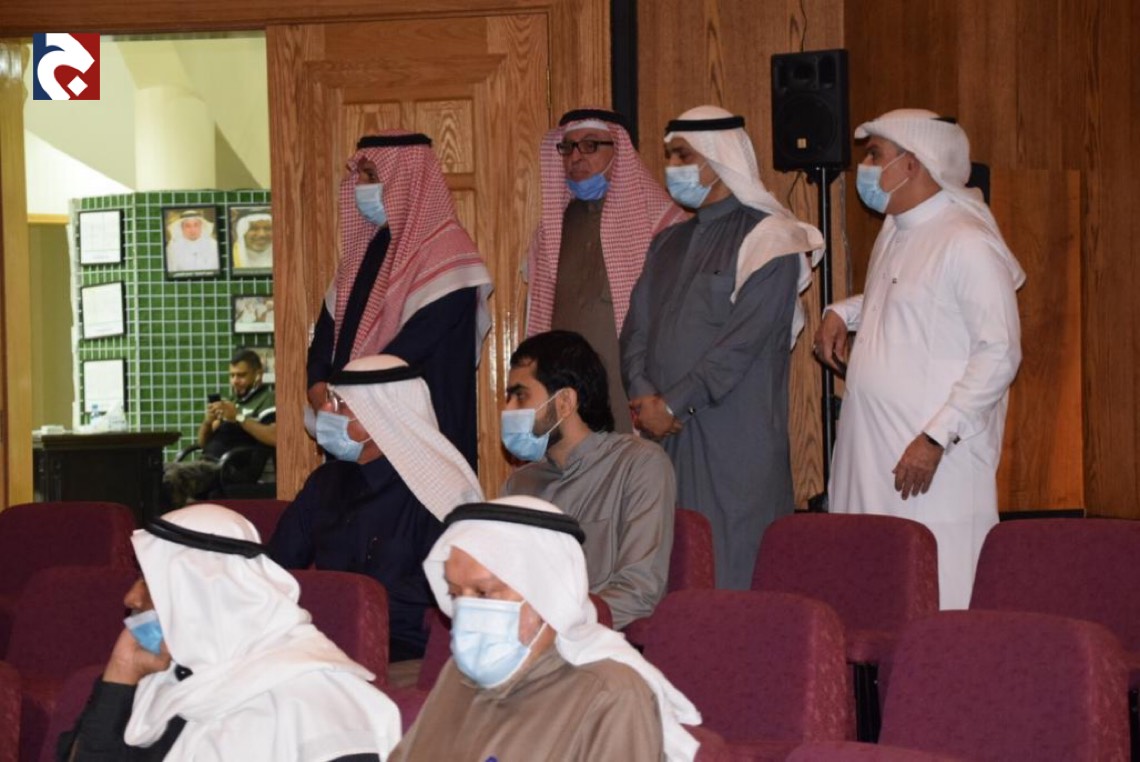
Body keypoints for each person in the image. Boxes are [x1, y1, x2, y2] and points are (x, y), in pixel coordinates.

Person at [815, 109, 1024, 610]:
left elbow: (999, 352)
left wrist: (935, 437)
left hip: (933, 463)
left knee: (937, 597)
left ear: (912, 164)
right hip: (871, 454)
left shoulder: (967, 241)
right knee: (870, 595)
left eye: (875, 155)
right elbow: (905, 294)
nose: (865, 167)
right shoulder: (897, 228)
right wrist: (841, 311)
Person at [620, 105, 824, 590]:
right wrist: (644, 395)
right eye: (670, 156)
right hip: (662, 435)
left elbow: (742, 346)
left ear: (718, 161)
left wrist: (672, 404)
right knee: (672, 567)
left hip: (732, 435)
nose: (672, 168)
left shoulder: (772, 240)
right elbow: (635, 331)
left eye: (683, 156)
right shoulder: (666, 243)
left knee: (733, 565)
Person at [58, 503, 401, 761]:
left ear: (201, 593)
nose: (130, 598)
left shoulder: (312, 701)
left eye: (151, 583)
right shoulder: (165, 680)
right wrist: (120, 675)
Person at [389, 495, 702, 761]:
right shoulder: (457, 674)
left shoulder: (611, 694)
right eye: (456, 594)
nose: (466, 610)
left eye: (484, 593)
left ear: (545, 595)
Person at [269, 354, 483, 660]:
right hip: (321, 640)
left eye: (341, 404)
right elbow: (279, 563)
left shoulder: (440, 491)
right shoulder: (324, 483)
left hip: (401, 651)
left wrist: (349, 605)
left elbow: (441, 590)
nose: (326, 411)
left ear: (380, 415)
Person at [307, 133, 493, 467]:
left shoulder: (447, 255)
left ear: (406, 180)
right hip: (351, 428)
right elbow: (326, 336)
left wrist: (348, 399)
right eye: (360, 176)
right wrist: (321, 393)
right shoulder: (364, 252)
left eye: (371, 176)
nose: (360, 186)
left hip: (420, 439)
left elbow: (408, 351)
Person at [524, 108, 687, 432]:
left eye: (590, 145)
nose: (575, 157)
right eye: (568, 147)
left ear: (619, 151)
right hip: (569, 391)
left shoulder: (663, 225)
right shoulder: (552, 230)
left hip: (634, 393)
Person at [501, 330, 675, 629]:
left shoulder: (638, 464)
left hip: (598, 641)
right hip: (524, 641)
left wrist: (551, 627)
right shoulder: (518, 485)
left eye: (520, 396)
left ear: (565, 402)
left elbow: (639, 592)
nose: (507, 410)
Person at [162, 348, 276, 508]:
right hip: (208, 464)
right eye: (232, 375)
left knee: (173, 478)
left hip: (230, 468)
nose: (235, 381)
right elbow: (203, 443)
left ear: (258, 375)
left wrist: (238, 417)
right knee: (158, 472)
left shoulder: (268, 399)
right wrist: (208, 422)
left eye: (241, 375)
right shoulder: (230, 402)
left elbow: (274, 437)